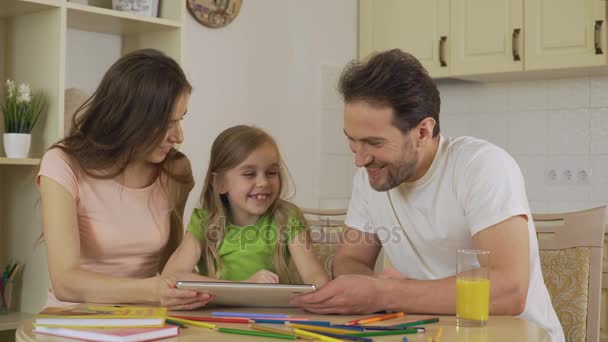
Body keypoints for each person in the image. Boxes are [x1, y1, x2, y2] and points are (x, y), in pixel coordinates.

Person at [290, 49, 563, 341]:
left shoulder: (481, 166)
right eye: (352, 141)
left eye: (374, 142)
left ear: (422, 131)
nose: (360, 159)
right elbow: (349, 262)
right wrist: (371, 289)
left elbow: (509, 291)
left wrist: (386, 293)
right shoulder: (369, 178)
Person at [37, 49, 210, 311]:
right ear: (129, 117)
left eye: (181, 119)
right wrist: (153, 290)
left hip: (145, 317)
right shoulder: (62, 163)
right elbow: (65, 282)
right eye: (166, 123)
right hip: (73, 318)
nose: (178, 137)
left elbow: (171, 266)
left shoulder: (175, 170)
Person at [162, 125, 329, 290]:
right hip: (217, 315)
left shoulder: (287, 217)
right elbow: (172, 275)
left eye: (271, 172)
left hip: (275, 314)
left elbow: (316, 278)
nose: (263, 182)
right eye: (249, 174)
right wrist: (243, 286)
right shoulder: (203, 221)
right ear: (220, 183)